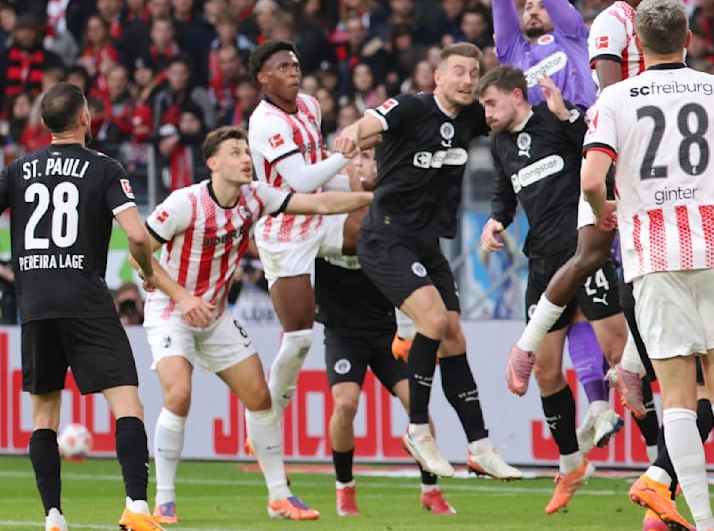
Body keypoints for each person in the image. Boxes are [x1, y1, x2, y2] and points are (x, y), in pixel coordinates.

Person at [581, 0, 714, 531]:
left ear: (638, 44)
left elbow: (591, 178)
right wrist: (713, 192)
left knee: (679, 395)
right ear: (688, 38)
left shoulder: (615, 99)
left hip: (653, 254)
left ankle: (703, 520)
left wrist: (605, 207)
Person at [138, 126, 374, 523]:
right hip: (171, 309)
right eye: (235, 152)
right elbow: (139, 252)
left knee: (261, 398)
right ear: (213, 163)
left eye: (246, 151)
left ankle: (279, 496)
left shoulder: (256, 197)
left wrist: (372, 197)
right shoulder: (185, 203)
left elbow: (318, 204)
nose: (246, 159)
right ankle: (164, 500)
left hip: (214, 315)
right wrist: (182, 297)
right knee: (179, 395)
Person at [0, 82, 164, 531]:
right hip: (86, 299)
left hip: (35, 303)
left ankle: (53, 516)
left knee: (44, 417)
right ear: (85, 117)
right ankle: (136, 507)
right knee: (127, 404)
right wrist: (149, 272)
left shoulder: (18, 168)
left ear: (43, 123)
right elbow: (136, 234)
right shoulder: (104, 167)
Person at [482, 0, 633, 456]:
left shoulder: (573, 35)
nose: (530, 5)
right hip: (555, 185)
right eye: (525, 5)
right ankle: (598, 405)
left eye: (537, 1)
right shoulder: (514, 57)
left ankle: (616, 389)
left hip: (594, 156)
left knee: (598, 284)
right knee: (573, 291)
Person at [334, 42, 521, 481]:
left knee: (454, 337)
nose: (467, 80)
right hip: (384, 237)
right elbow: (371, 121)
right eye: (458, 71)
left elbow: (510, 115)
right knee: (434, 322)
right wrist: (352, 133)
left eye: (473, 72)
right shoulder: (411, 107)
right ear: (437, 76)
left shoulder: (472, 117)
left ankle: (479, 447)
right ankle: (418, 431)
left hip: (427, 244)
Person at [507, 0, 666, 415]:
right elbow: (613, 95)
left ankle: (628, 368)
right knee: (592, 257)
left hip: (646, 155)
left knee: (639, 269)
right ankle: (529, 345)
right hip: (612, 150)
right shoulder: (610, 23)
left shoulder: (660, 19)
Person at [477, 66, 620, 513]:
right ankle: (571, 463)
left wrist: (566, 116)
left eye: (491, 103)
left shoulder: (558, 118)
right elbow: (505, 192)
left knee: (621, 357)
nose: (486, 113)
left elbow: (599, 158)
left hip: (585, 251)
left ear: (517, 96)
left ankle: (659, 461)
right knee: (544, 369)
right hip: (542, 262)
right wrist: (496, 219)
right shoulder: (500, 144)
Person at [319, 150, 455, 518]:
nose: (358, 163)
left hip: (388, 330)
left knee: (417, 404)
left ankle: (430, 490)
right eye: (351, 158)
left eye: (366, 157)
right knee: (345, 405)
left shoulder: (391, 214)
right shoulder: (321, 210)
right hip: (344, 330)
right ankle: (345, 489)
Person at [246, 39, 359, 419]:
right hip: (284, 230)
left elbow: (316, 166)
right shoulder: (266, 122)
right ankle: (267, 416)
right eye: (282, 68)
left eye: (295, 66)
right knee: (299, 337)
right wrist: (346, 156)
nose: (293, 73)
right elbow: (301, 180)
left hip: (321, 216)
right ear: (263, 78)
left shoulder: (310, 105)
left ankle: (405, 329)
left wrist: (357, 182)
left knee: (378, 231)